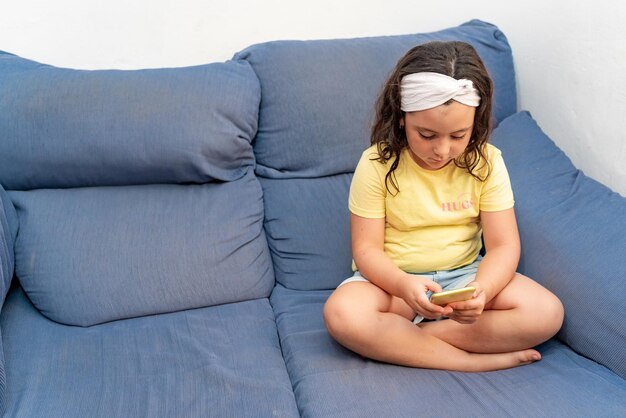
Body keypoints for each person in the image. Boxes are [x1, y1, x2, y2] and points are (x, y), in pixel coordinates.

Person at [323, 41, 564, 372]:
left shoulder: (487, 163)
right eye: (427, 134)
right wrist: (404, 286)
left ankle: (409, 339)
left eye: (458, 135)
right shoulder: (377, 163)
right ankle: (465, 361)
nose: (442, 150)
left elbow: (504, 246)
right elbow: (366, 250)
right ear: (401, 118)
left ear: (475, 124)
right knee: (342, 314)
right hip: (393, 286)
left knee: (547, 313)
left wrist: (482, 290)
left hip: (465, 279)